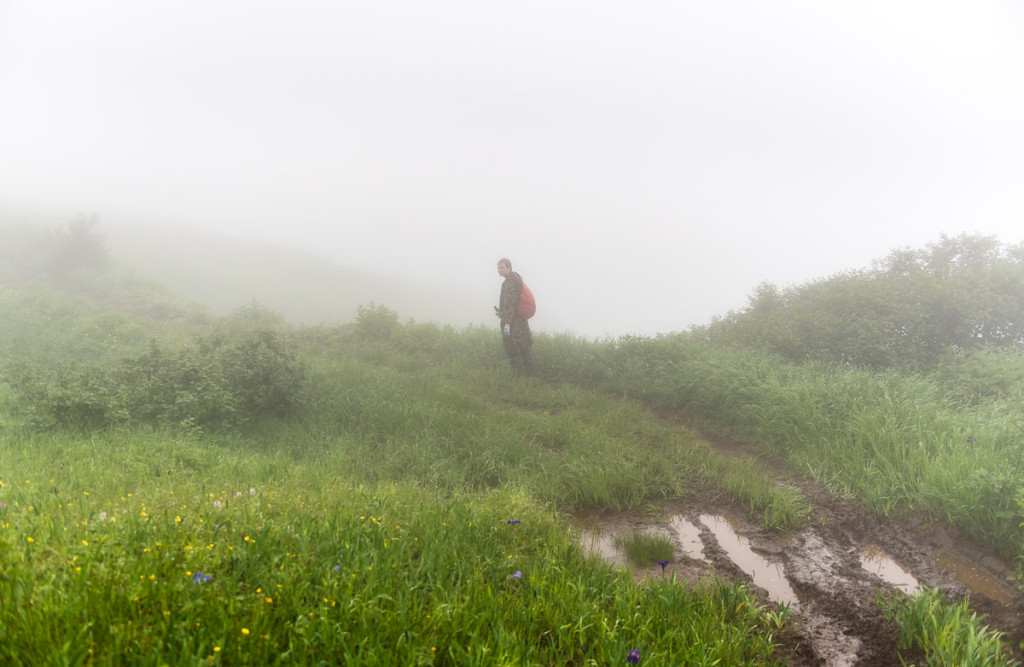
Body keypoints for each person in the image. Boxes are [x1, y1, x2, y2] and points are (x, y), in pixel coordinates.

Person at [495, 257, 534, 376]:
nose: (500, 270)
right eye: (498, 268)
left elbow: (509, 304)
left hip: (512, 323)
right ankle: (532, 377)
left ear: (509, 268)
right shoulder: (516, 280)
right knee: (524, 350)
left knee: (514, 352)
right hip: (520, 321)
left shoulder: (509, 283)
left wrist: (507, 324)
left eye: (502, 267)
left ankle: (519, 381)